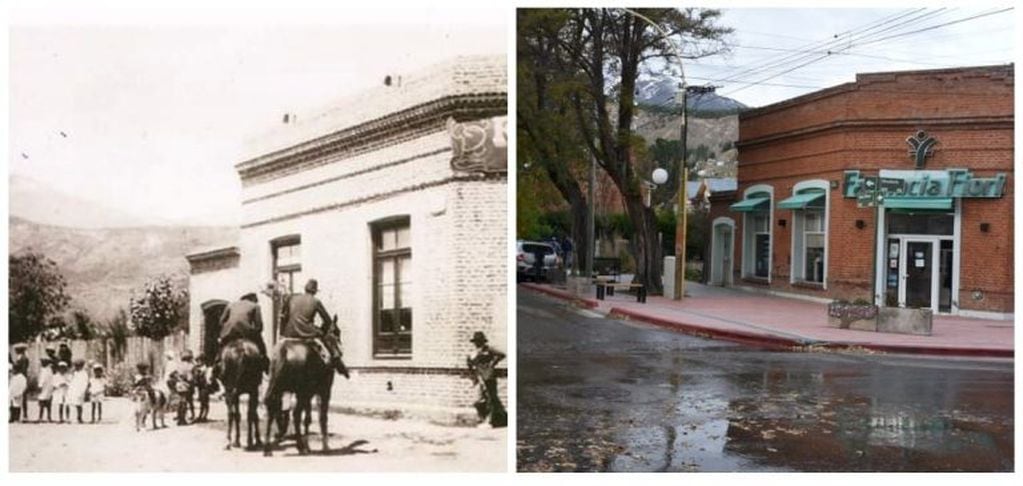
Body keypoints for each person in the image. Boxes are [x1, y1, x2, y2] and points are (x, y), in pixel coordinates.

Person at [280, 279, 349, 377]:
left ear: (305, 289)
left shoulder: (293, 298)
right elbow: (327, 321)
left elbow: (285, 317)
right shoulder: (316, 301)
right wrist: (322, 330)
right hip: (306, 332)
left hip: (289, 333)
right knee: (328, 346)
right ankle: (339, 365)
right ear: (315, 291)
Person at [218, 292, 269, 372]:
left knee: (220, 349)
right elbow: (259, 326)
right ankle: (265, 366)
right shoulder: (255, 306)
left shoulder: (231, 305)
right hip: (245, 332)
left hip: (228, 333)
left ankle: (216, 366)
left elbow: (221, 321)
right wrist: (255, 333)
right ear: (253, 299)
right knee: (261, 346)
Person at [466, 331, 506, 428]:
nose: (477, 343)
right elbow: (470, 367)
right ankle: (482, 418)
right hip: (479, 379)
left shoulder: (488, 350)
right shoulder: (472, 354)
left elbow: (502, 355)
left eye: (479, 341)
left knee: (490, 399)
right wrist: (473, 378)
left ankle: (489, 421)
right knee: (477, 400)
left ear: (483, 341)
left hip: (488, 378)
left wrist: (492, 364)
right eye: (476, 341)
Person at [67, 359, 90, 424]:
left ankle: (79, 417)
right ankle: (69, 418)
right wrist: (71, 373)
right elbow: (69, 380)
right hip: (73, 389)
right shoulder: (74, 373)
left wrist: (83, 391)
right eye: (76, 365)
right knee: (70, 404)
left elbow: (85, 383)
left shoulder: (84, 373)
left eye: (78, 365)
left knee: (79, 404)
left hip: (80, 390)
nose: (77, 367)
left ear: (81, 366)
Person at [36, 358, 55, 422]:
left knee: (42, 404)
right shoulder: (50, 370)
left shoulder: (44, 370)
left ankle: (40, 417)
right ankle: (49, 417)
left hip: (44, 389)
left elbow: (42, 380)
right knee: (48, 404)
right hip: (49, 389)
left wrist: (39, 387)